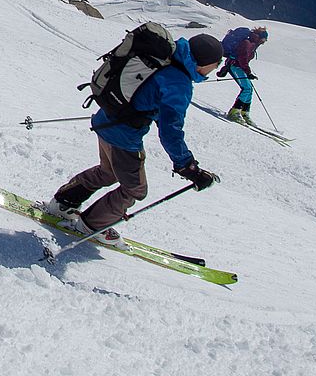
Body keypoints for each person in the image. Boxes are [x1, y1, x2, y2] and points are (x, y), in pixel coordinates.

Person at [40, 33, 224, 249]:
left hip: (106, 120)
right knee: (135, 189)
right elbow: (170, 131)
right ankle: (91, 226)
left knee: (107, 171)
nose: (214, 70)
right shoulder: (179, 83)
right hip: (123, 137)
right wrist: (187, 167)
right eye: (214, 64)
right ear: (203, 62)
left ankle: (62, 204)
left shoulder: (166, 57)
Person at [221, 26, 268, 123]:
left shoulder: (252, 43)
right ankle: (235, 111)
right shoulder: (247, 43)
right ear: (260, 37)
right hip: (235, 66)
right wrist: (248, 72)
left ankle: (244, 112)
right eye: (264, 39)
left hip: (239, 67)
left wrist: (248, 72)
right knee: (246, 88)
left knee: (249, 89)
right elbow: (242, 59)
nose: (264, 41)